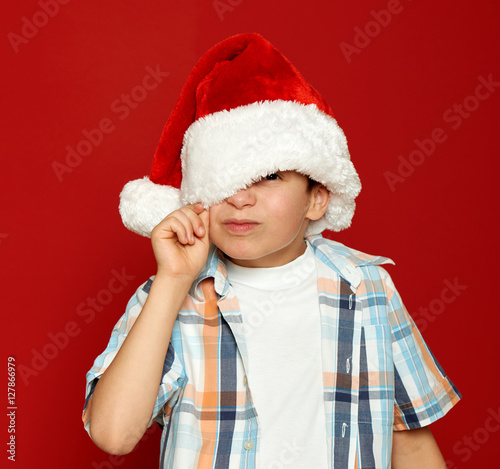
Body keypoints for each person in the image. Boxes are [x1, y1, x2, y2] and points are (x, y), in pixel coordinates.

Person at [82, 33, 460, 468]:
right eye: (224, 181)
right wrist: (171, 281)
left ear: (318, 197)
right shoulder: (171, 295)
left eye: (270, 176)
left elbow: (409, 442)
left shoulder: (368, 288)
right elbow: (113, 434)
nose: (240, 199)